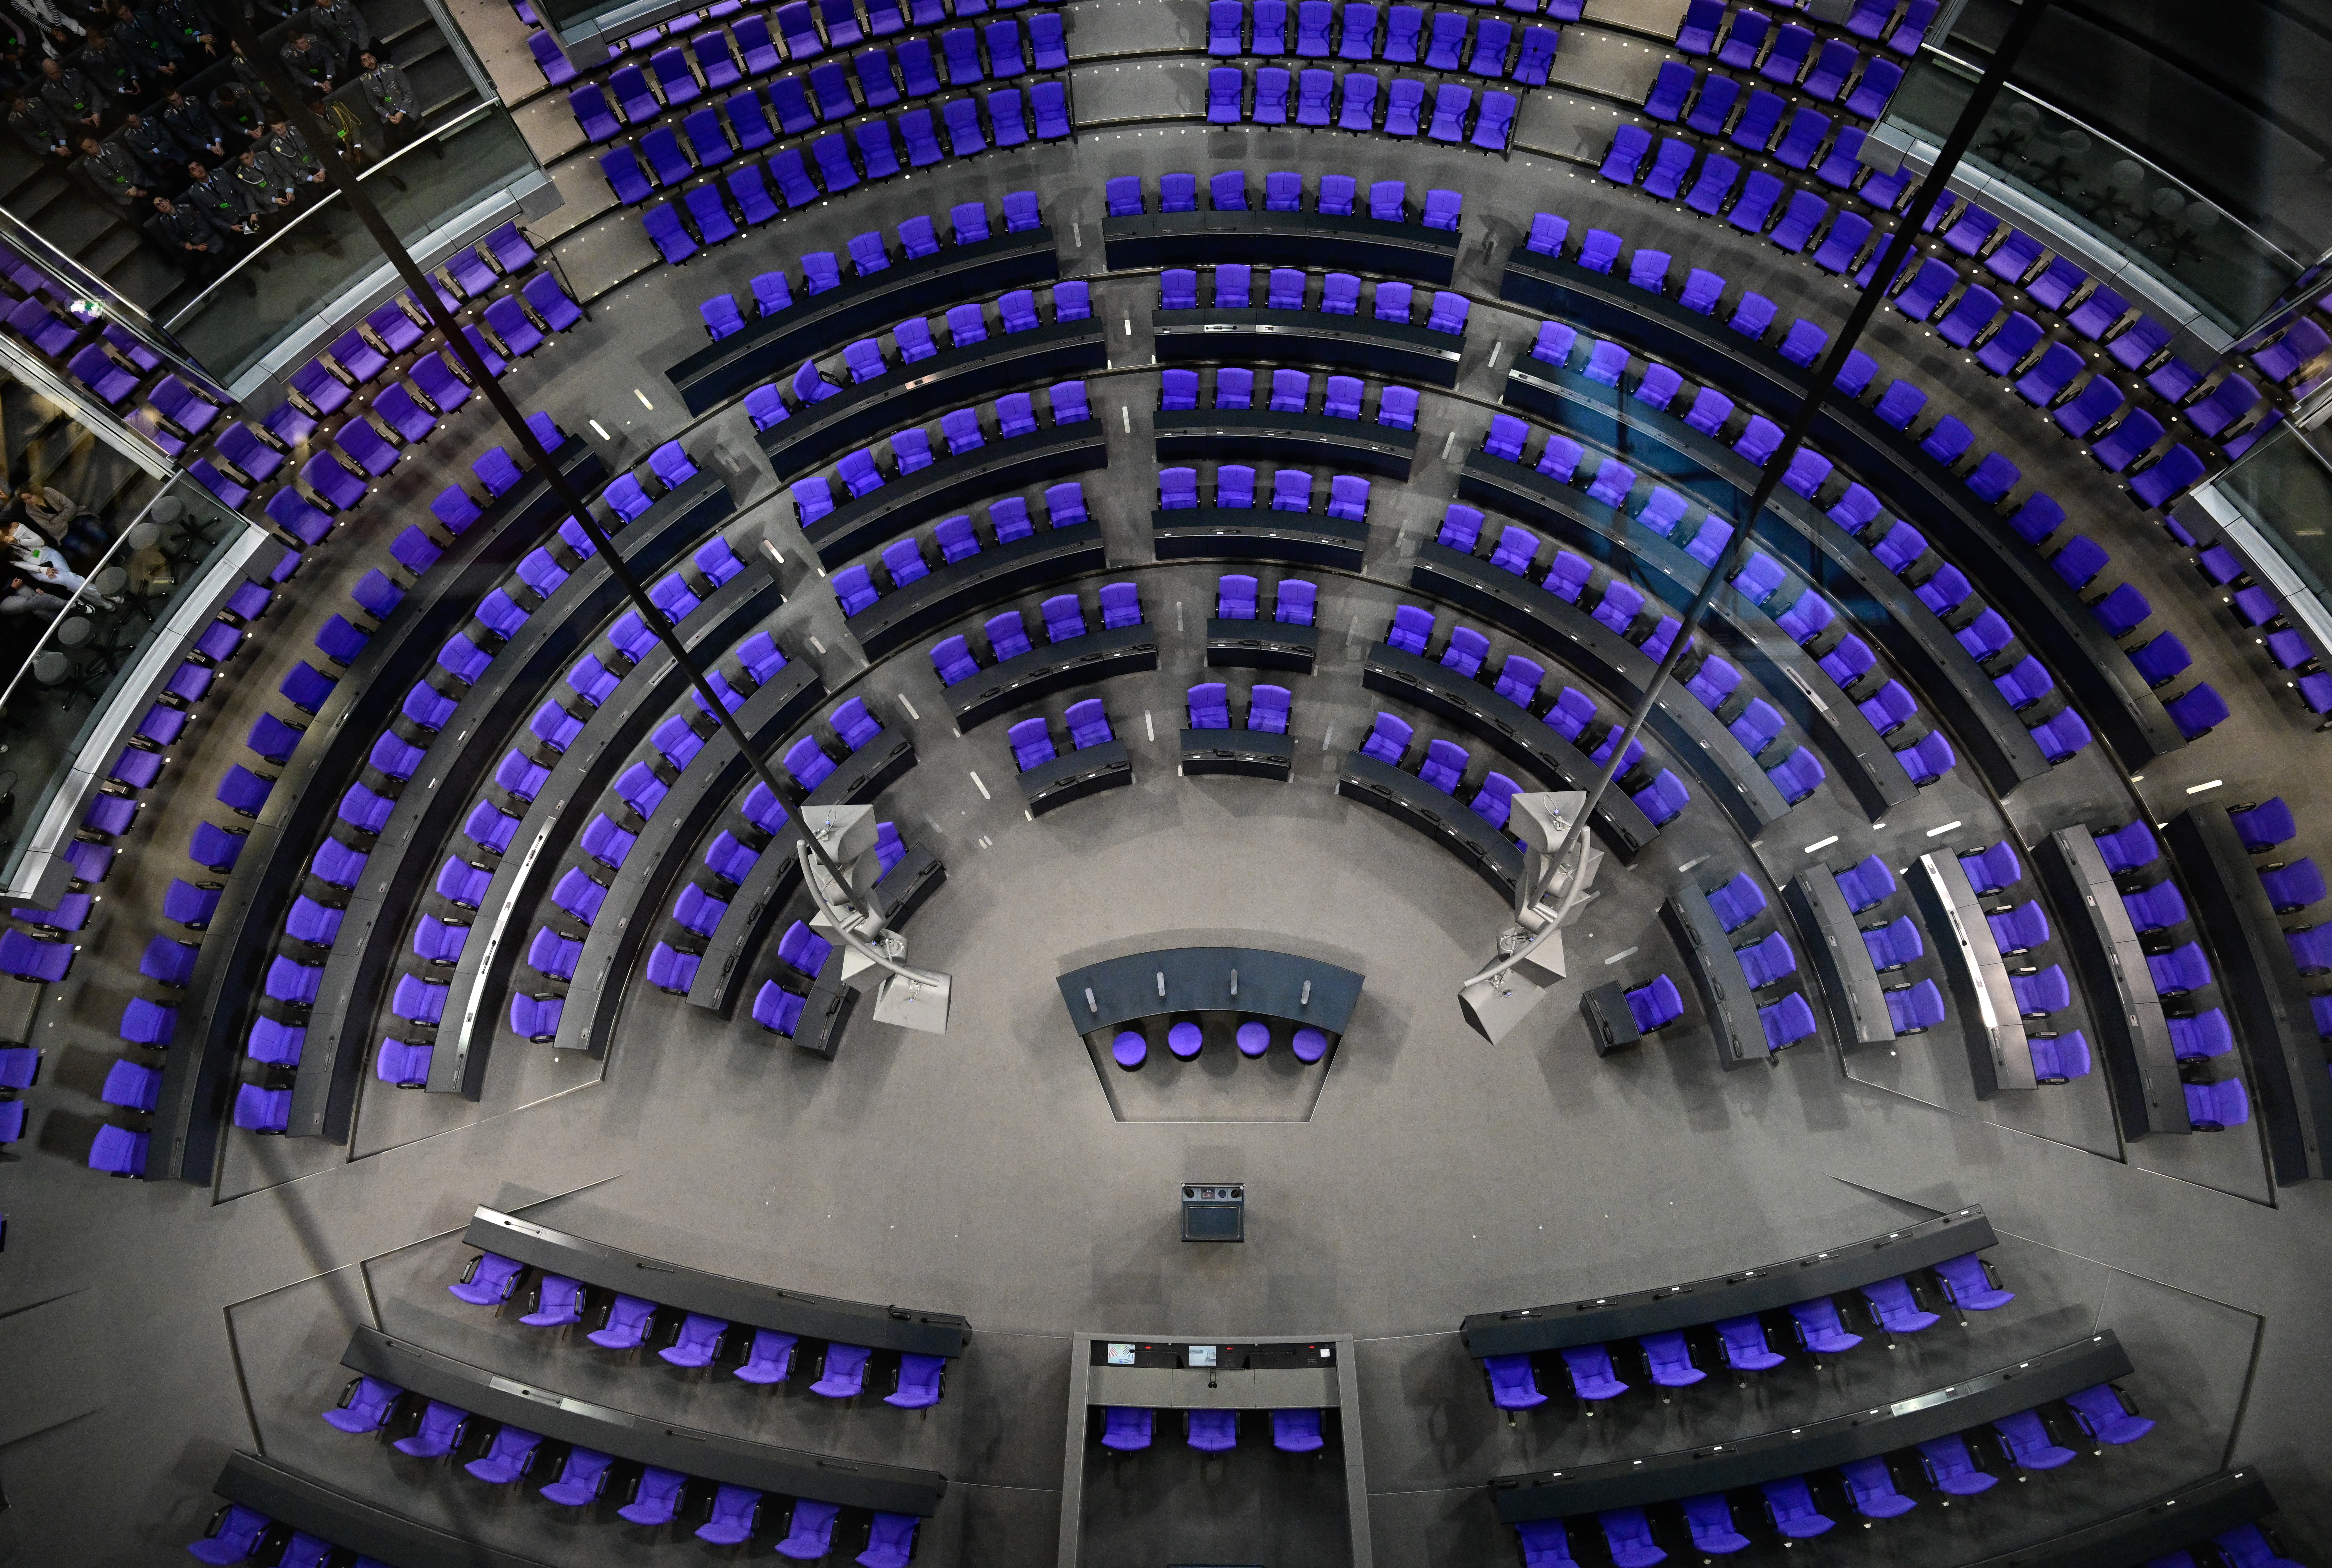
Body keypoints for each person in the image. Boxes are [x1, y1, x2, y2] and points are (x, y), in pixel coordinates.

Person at [152, 193, 246, 291]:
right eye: (159, 205)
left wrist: (193, 243)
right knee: (187, 264)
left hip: (209, 241)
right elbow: (176, 241)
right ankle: (204, 290)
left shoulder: (187, 209)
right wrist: (195, 247)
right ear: (159, 210)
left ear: (168, 200)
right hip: (195, 247)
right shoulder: (165, 221)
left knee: (221, 265)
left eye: (162, 201)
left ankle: (246, 283)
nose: (162, 205)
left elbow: (206, 230)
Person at [357, 49, 431, 157]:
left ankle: (432, 143)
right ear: (363, 65)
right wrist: (388, 115)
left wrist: (401, 112)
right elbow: (374, 103)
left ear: (375, 58)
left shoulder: (391, 70)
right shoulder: (366, 81)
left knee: (403, 134)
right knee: (389, 139)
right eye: (365, 61)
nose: (369, 62)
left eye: (370, 58)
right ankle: (411, 155)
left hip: (408, 107)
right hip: (391, 112)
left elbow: (409, 92)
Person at [15, 484, 109, 559]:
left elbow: (71, 507)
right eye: (25, 500)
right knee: (88, 551)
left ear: (36, 493)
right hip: (62, 533)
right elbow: (51, 529)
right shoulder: (30, 511)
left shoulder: (48, 492)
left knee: (102, 537)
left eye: (30, 498)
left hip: (77, 518)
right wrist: (66, 518)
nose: (28, 502)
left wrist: (56, 521)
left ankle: (114, 557)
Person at [77, 132, 152, 202]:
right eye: (86, 150)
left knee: (155, 196)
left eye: (91, 147)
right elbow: (108, 188)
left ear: (95, 142)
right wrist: (131, 193)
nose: (91, 151)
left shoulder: (114, 148)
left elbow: (135, 167)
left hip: (140, 182)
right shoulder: (91, 166)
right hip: (126, 196)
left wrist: (136, 186)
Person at [38, 54, 103, 129]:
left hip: (95, 107)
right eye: (52, 74)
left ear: (60, 68)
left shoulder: (75, 74)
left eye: (57, 72)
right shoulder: (48, 92)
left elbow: (95, 93)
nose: (56, 76)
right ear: (47, 74)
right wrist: (81, 121)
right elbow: (62, 115)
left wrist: (96, 112)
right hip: (79, 118)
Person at [158, 85, 222, 159]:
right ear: (167, 100)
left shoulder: (195, 102)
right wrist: (210, 147)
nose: (178, 102)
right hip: (199, 144)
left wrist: (218, 143)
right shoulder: (170, 117)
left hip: (212, 134)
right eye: (174, 101)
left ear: (179, 93)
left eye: (178, 98)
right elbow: (186, 137)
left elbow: (212, 122)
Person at [307, 0, 369, 69]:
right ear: (317, 2)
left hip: (361, 37)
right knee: (357, 69)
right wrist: (336, 54)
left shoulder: (344, 3)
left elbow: (362, 26)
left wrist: (364, 48)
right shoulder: (316, 15)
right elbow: (322, 38)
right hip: (346, 47)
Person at [8, 90, 67, 155]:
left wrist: (63, 144)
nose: (20, 107)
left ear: (23, 98)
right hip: (43, 144)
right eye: (16, 106)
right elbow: (30, 139)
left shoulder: (37, 103)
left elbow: (55, 122)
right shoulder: (14, 121)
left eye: (20, 103)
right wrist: (55, 149)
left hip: (56, 134)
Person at [210, 79, 266, 144]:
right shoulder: (215, 105)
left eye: (234, 102)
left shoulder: (242, 90)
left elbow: (257, 108)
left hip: (247, 113)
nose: (234, 105)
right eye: (230, 105)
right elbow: (230, 124)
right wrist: (249, 132)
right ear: (222, 102)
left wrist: (261, 126)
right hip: (235, 121)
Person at [278, 29, 332, 94]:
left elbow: (328, 60)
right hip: (308, 76)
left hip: (323, 70)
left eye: (305, 40)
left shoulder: (314, 41)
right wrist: (318, 84)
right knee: (313, 94)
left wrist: (328, 79)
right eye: (302, 43)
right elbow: (298, 75)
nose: (306, 44)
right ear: (294, 45)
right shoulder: (287, 55)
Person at [1, 577, 67, 620]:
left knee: (38, 607)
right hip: (3, 600)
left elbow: (14, 571)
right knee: (29, 603)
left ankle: (65, 625)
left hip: (12, 583)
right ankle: (67, 605)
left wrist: (35, 587)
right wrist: (13, 588)